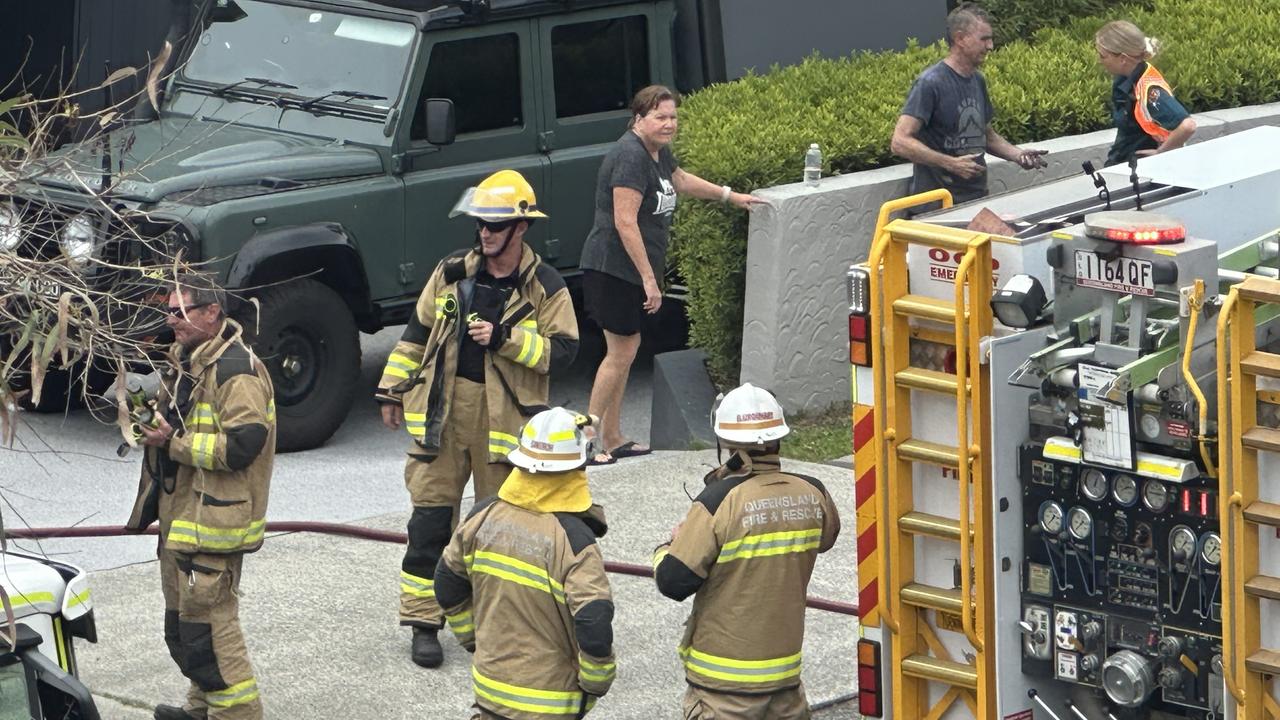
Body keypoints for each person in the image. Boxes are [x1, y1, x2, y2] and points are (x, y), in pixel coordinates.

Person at [376, 169, 580, 668]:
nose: (486, 233)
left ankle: (494, 624)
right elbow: (417, 333)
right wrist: (391, 388)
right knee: (428, 524)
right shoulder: (451, 273)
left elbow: (566, 352)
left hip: (505, 423)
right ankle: (424, 622)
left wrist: (506, 340)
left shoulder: (545, 286)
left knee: (498, 530)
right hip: (445, 416)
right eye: (481, 224)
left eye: (496, 225)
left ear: (521, 228)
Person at [579, 84, 763, 466]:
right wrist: (649, 279)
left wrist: (731, 196)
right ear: (639, 118)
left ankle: (613, 437)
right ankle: (587, 439)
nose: (668, 124)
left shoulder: (655, 152)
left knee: (625, 353)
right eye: (660, 117)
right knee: (619, 353)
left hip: (630, 270)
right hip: (613, 268)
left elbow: (679, 180)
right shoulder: (629, 156)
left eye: (673, 117)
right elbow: (625, 222)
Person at [127, 274, 275, 720]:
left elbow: (242, 447)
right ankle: (199, 710)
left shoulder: (237, 372)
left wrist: (173, 442)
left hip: (215, 526)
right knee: (186, 629)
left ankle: (238, 715)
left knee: (213, 633)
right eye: (169, 310)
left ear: (212, 313)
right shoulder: (188, 361)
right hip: (184, 519)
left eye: (180, 311)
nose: (172, 320)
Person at [652, 383, 840, 720]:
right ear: (778, 436)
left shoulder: (718, 501)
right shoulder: (815, 492)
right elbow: (826, 539)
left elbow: (673, 581)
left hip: (723, 690)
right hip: (785, 683)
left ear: (725, 441)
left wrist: (670, 546)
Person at [435, 407, 615, 719]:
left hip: (490, 691)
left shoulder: (483, 516)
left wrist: (472, 639)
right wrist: (596, 681)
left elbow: (447, 583)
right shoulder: (574, 541)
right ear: (579, 464)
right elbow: (593, 620)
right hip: (549, 702)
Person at [890, 3, 1047, 208]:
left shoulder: (977, 80)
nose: (990, 46)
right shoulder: (930, 83)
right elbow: (899, 141)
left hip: (975, 201)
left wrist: (1019, 155)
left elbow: (987, 136)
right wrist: (950, 163)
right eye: (984, 39)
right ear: (960, 38)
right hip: (938, 208)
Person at [1096, 20, 1196, 166]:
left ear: (1123, 58)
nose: (1099, 60)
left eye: (1103, 56)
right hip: (1124, 159)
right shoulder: (1126, 78)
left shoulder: (1150, 91)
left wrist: (1161, 152)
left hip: (1143, 170)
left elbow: (1188, 126)